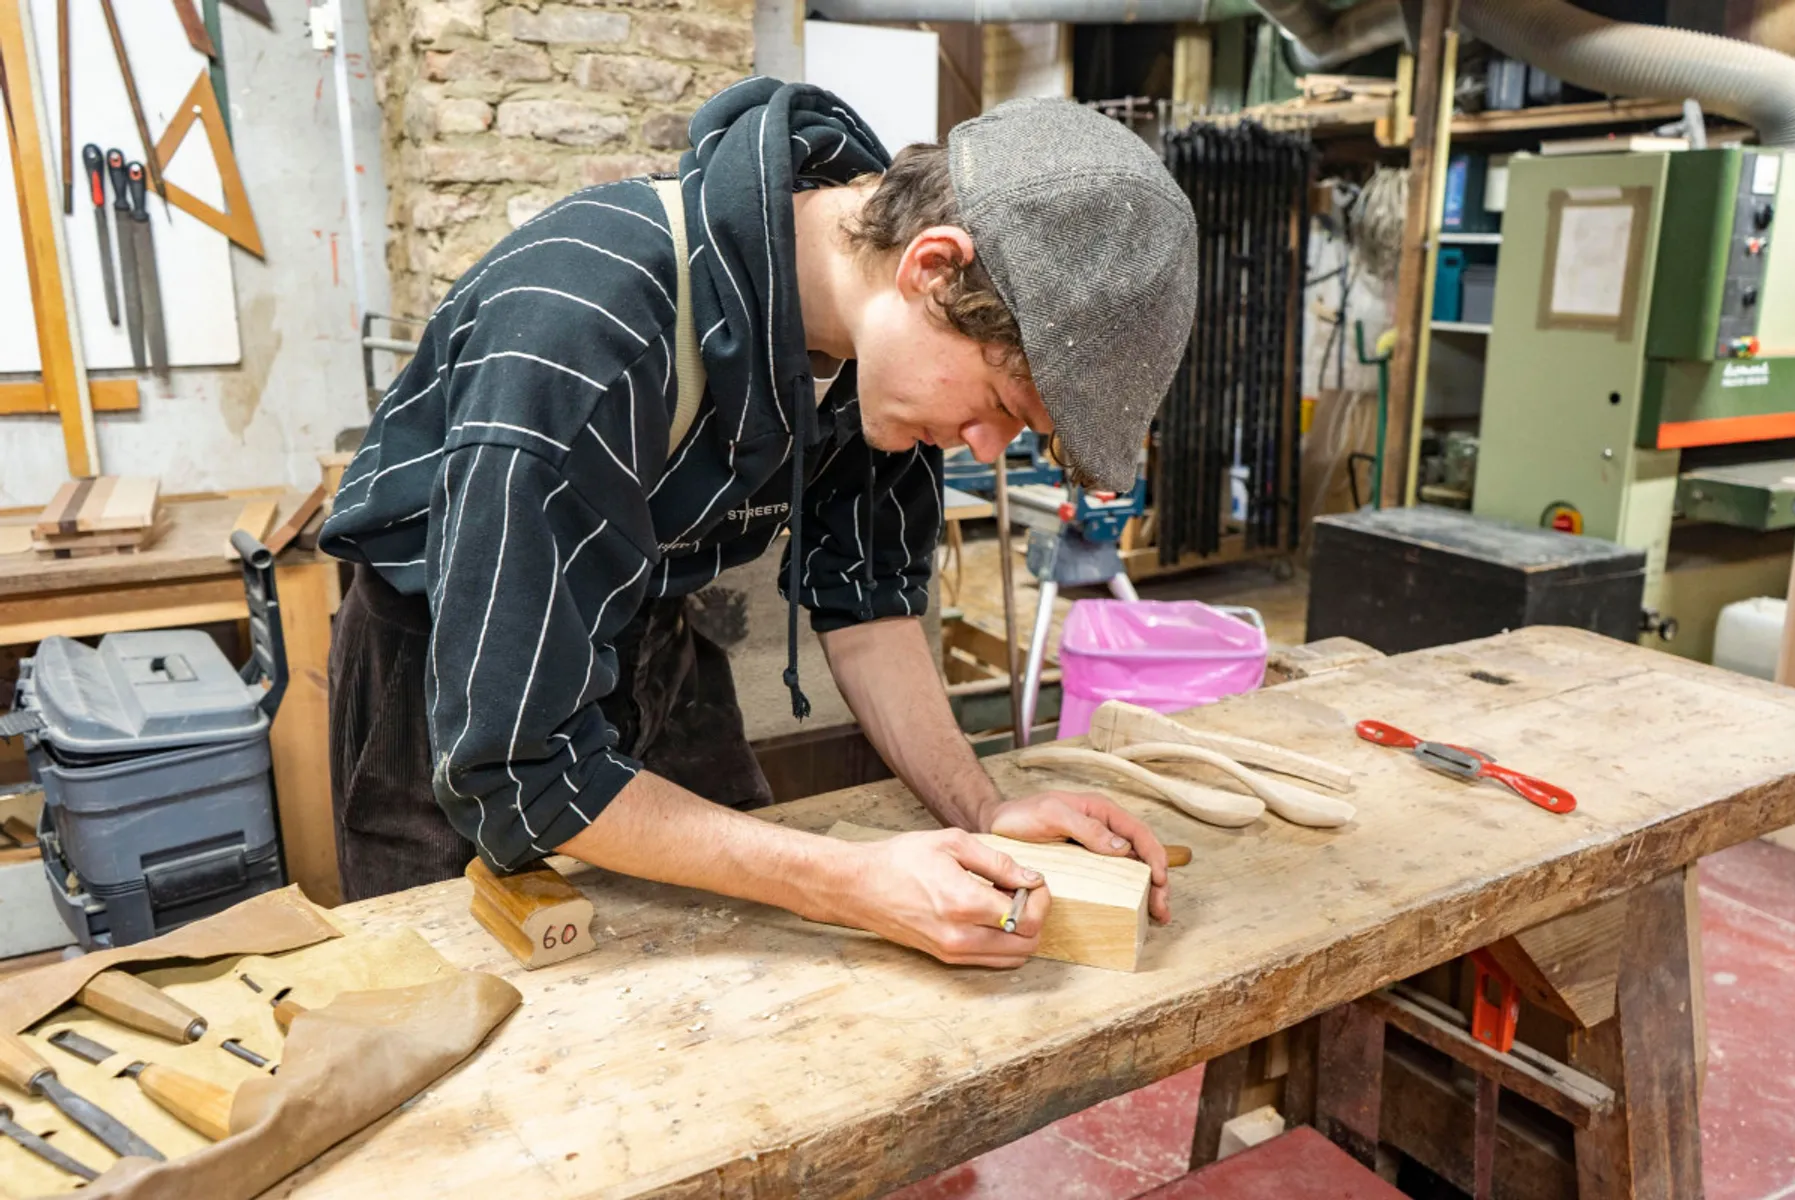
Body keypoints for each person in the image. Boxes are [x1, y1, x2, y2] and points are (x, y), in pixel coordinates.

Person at [321, 78, 1198, 968]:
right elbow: (517, 766)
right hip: (453, 671)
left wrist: (985, 810)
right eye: (1001, 404)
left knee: (741, 981)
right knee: (461, 997)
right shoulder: (582, 334)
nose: (983, 444)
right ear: (931, 267)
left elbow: (868, 607)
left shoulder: (882, 350)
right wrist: (847, 882)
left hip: (653, 635)